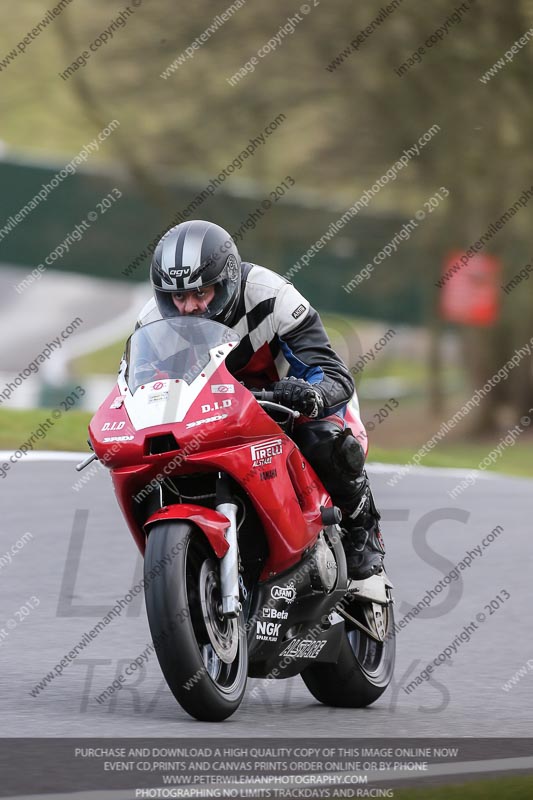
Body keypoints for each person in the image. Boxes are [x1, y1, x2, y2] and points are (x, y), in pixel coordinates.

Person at [135, 219, 385, 580]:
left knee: (326, 443)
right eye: (178, 296)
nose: (188, 307)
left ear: (228, 281)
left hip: (288, 407)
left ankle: (364, 528)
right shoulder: (153, 322)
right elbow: (141, 387)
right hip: (215, 417)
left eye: (200, 293)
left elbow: (332, 372)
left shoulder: (272, 296)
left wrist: (310, 394)